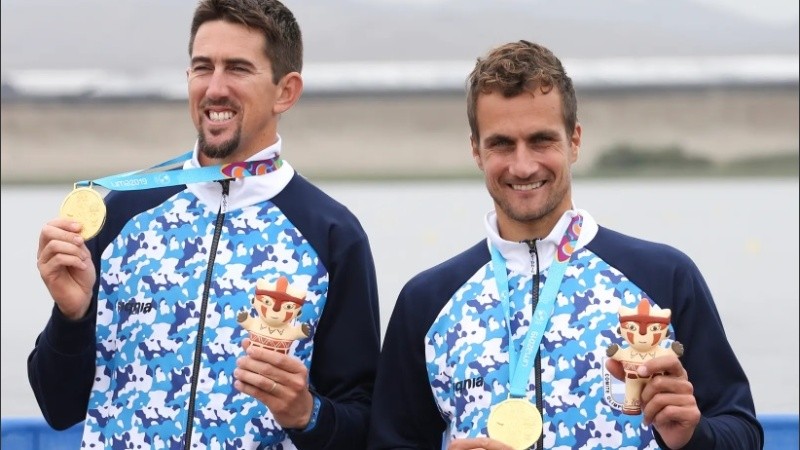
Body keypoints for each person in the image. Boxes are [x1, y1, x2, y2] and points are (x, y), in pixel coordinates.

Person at [368, 40, 762, 450]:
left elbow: (744, 434)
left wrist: (695, 437)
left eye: (542, 140)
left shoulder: (664, 277)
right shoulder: (427, 303)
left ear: (574, 141)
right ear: (476, 151)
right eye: (501, 143)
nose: (522, 165)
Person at [29, 0, 380, 448]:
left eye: (237, 68)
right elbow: (58, 409)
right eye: (202, 67)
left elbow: (364, 422)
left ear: (285, 91)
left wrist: (307, 415)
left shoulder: (331, 235)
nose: (215, 88)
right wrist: (71, 316)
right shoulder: (122, 215)